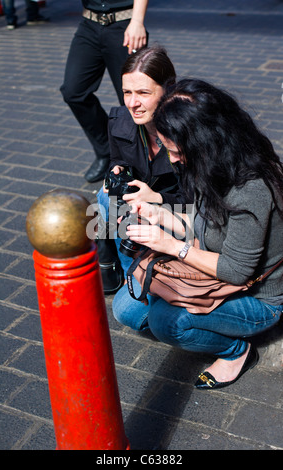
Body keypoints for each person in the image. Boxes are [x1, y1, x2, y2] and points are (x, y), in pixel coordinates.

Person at [112, 78, 283, 390]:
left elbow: (236, 271)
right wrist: (159, 213)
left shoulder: (251, 187)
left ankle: (235, 351)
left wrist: (172, 246)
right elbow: (206, 224)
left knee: (166, 322)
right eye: (167, 148)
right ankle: (197, 323)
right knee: (126, 310)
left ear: (205, 141)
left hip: (256, 296)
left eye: (176, 151)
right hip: (211, 266)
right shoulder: (210, 163)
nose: (173, 159)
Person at [96, 45, 189, 283]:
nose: (133, 103)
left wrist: (156, 199)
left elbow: (201, 203)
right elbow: (117, 160)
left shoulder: (190, 131)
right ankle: (130, 271)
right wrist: (116, 172)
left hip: (182, 216)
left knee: (126, 312)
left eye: (143, 93)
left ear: (169, 89)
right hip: (138, 211)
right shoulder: (119, 121)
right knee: (107, 195)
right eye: (127, 92)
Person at [60, 0, 149, 183]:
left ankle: (143, 166)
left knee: (133, 101)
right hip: (89, 25)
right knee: (73, 91)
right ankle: (106, 151)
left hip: (125, 24)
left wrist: (137, 21)